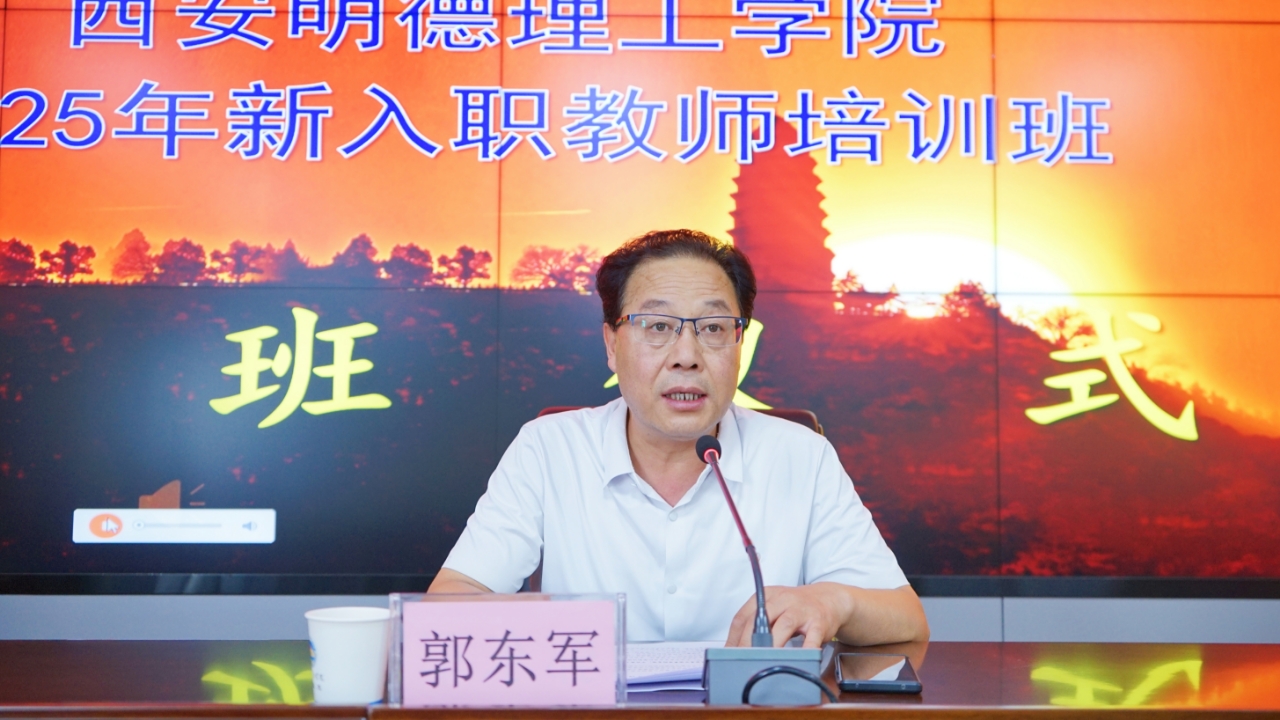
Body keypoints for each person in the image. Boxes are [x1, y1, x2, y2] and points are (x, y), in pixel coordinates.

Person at [430, 229, 928, 648]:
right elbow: (453, 595)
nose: (686, 356)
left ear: (738, 342)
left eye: (713, 327)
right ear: (611, 344)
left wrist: (833, 602)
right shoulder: (549, 449)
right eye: (657, 326)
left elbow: (905, 619)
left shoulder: (800, 456)